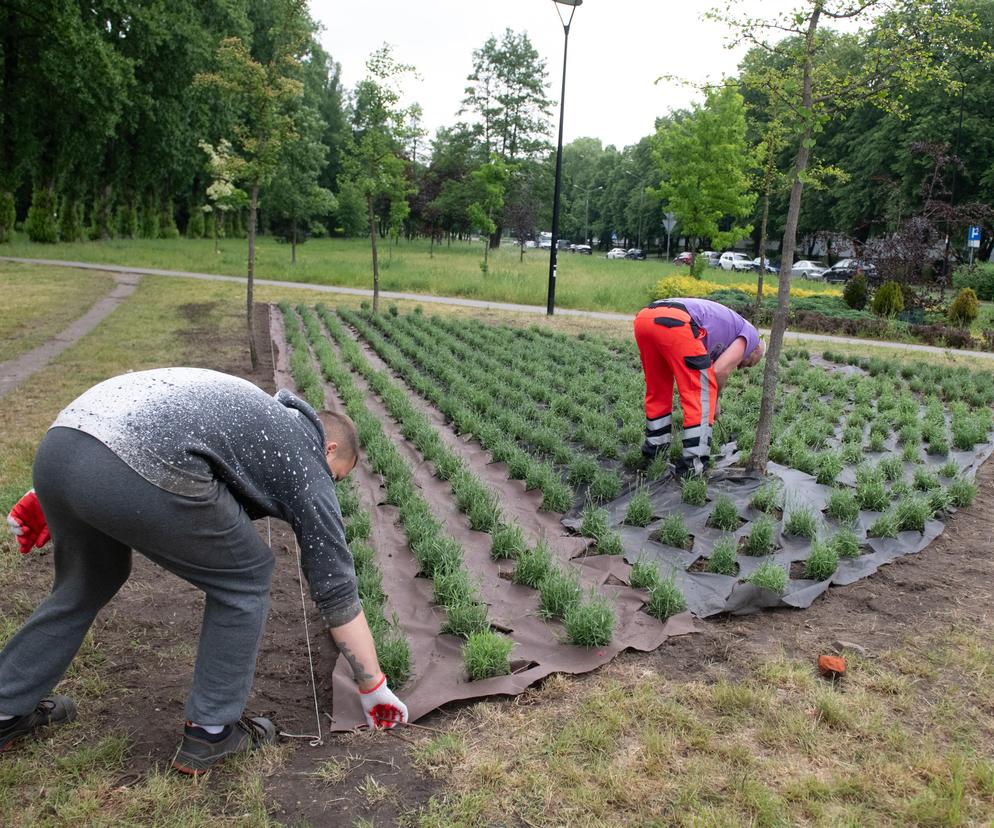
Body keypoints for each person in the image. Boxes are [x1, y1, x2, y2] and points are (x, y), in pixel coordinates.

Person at [1, 367, 407, 773]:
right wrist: (373, 686)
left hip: (65, 445)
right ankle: (212, 732)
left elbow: (150, 418)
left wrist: (62, 486)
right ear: (330, 448)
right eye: (336, 476)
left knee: (86, 581)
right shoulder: (305, 458)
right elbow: (336, 589)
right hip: (120, 458)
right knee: (246, 576)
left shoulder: (257, 412)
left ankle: (5, 708)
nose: (329, 486)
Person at [634, 297, 764, 476]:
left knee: (658, 391)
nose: (742, 366)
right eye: (749, 363)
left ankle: (654, 455)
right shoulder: (751, 336)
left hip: (645, 318)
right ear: (756, 350)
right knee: (701, 397)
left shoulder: (724, 335)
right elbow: (719, 371)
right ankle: (693, 467)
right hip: (678, 323)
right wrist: (715, 401)